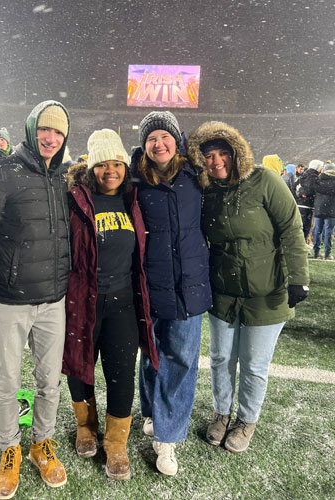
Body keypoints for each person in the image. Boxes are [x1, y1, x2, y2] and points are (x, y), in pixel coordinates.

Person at [0, 101, 71, 499]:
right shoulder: (0, 171)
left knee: (49, 384)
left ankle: (42, 443)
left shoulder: (61, 178)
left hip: (52, 302)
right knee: (6, 384)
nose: (51, 138)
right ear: (30, 129)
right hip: (8, 301)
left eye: (58, 132)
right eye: (45, 129)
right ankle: (10, 449)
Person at [187, 121, 309, 453]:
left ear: (236, 152)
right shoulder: (206, 191)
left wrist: (298, 277)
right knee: (221, 357)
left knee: (254, 363)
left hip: (266, 290)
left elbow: (291, 228)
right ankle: (222, 414)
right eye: (208, 156)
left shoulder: (265, 180)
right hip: (223, 290)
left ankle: (246, 420)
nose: (216, 162)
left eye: (222, 153)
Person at [62, 129, 158, 480]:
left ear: (124, 165)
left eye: (116, 163)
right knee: (79, 366)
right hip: (82, 300)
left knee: (121, 374)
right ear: (91, 167)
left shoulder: (133, 199)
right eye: (103, 164)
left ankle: (116, 443)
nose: (111, 171)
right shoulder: (73, 198)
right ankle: (85, 428)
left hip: (121, 303)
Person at [130, 111, 212, 476]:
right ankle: (151, 412)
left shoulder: (197, 177)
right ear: (144, 146)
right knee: (151, 355)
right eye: (151, 139)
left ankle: (168, 438)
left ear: (176, 140)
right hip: (149, 285)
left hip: (189, 287)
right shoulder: (135, 182)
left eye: (164, 136)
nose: (158, 144)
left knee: (180, 360)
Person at [294, 159, 323, 243]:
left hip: (300, 204)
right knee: (306, 227)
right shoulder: (313, 177)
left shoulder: (303, 175)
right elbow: (310, 191)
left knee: (301, 227)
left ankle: (300, 244)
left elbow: (295, 187)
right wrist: (303, 193)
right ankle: (302, 245)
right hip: (308, 206)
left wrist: (299, 192)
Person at [312, 163, 335, 260]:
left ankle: (316, 252)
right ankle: (327, 254)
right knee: (329, 232)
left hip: (319, 208)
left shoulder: (318, 179)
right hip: (331, 209)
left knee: (317, 230)